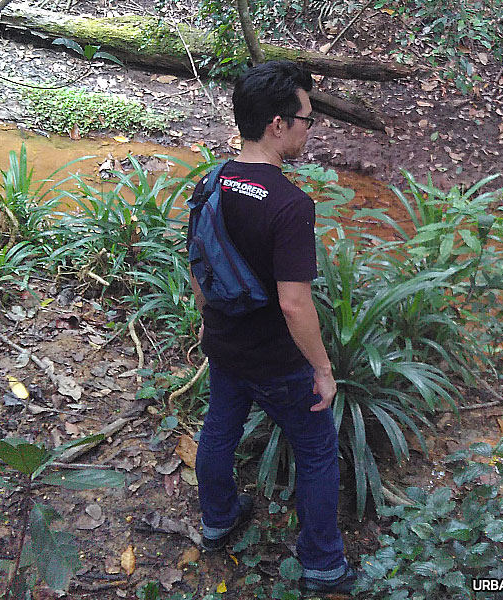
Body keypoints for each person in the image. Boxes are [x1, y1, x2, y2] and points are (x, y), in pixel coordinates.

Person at [188, 60, 357, 594]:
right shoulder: (289, 205)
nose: (310, 129)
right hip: (278, 360)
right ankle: (323, 564)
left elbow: (198, 262)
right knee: (316, 451)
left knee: (220, 429)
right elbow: (294, 304)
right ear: (277, 124)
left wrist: (207, 321)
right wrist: (322, 369)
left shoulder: (211, 181)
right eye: (306, 119)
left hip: (226, 344)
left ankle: (217, 520)